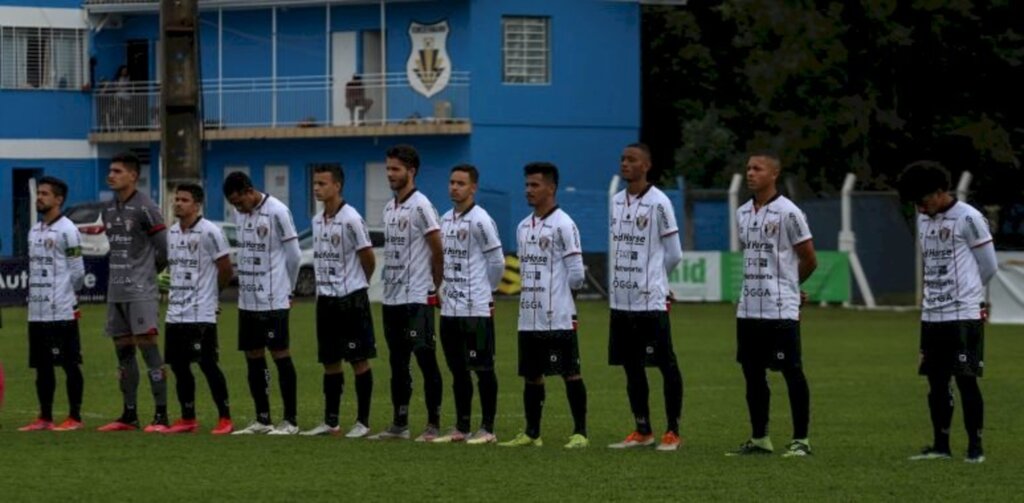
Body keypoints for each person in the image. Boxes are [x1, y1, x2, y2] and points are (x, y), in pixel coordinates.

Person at [897, 160, 996, 464]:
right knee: (936, 382)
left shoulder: (969, 218)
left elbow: (988, 265)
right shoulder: (924, 218)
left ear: (941, 192)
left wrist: (967, 296)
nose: (921, 208)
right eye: (915, 203)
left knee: (966, 380)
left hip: (963, 314)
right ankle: (941, 446)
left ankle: (975, 448)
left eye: (923, 200)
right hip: (932, 314)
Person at [726, 152, 817, 457]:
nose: (750, 173)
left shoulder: (788, 213)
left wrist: (792, 288)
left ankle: (801, 440)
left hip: (779, 308)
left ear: (773, 174)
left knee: (791, 371)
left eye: (757, 169)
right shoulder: (742, 213)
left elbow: (808, 258)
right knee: (752, 374)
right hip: (748, 308)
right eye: (748, 168)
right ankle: (760, 438)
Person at [499, 162, 589, 449]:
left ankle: (580, 433)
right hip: (528, 316)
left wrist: (564, 302)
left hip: (558, 316)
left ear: (551, 188)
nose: (529, 190)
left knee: (570, 372)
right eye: (527, 185)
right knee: (532, 375)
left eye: (535, 185)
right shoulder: (523, 227)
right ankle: (532, 433)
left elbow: (577, 275)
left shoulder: (564, 224)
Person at [606, 144, 685, 451]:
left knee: (665, 364)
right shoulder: (615, 202)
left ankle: (672, 431)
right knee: (631, 366)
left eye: (632, 160)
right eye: (623, 159)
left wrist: (657, 280)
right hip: (620, 301)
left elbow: (674, 253)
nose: (625, 164)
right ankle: (643, 430)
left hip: (649, 300)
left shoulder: (659, 203)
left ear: (647, 165)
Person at [368, 144, 446, 441]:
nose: (390, 174)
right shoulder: (390, 208)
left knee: (425, 358)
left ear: (411, 171)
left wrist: (435, 287)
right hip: (393, 297)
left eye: (395, 169)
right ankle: (399, 424)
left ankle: (433, 424)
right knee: (397, 362)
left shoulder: (422, 206)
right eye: (388, 168)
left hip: (418, 297)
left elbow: (438, 249)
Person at [223, 171, 302, 435]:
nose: (238, 208)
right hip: (247, 300)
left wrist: (287, 290)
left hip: (274, 298)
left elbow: (294, 256)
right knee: (253, 356)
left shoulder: (278, 211)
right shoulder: (240, 214)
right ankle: (263, 418)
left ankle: (290, 420)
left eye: (239, 202)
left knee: (280, 354)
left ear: (249, 191)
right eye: (234, 205)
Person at [301, 164, 377, 438]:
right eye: (315, 184)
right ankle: (330, 421)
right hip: (326, 301)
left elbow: (368, 258)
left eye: (322, 184)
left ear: (337, 186)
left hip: (351, 299)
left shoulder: (352, 219)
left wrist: (359, 285)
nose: (317, 188)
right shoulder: (317, 220)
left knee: (359, 359)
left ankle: (363, 421)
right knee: (330, 360)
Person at [96, 153, 170, 432]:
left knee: (149, 351)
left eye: (117, 171)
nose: (111, 175)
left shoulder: (147, 207)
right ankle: (129, 415)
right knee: (123, 354)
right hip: (116, 292)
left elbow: (165, 249)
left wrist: (147, 274)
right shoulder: (108, 209)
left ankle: (161, 416)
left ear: (132, 176)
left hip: (140, 292)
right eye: (110, 170)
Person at [432, 165, 505, 444]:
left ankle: (487, 428)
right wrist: (441, 288)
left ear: (473, 187)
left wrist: (487, 290)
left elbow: (496, 261)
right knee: (458, 371)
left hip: (475, 309)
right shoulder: (445, 219)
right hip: (450, 309)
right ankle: (461, 427)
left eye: (461, 183)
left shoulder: (481, 220)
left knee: (483, 369)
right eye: (451, 182)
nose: (454, 187)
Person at [162, 183, 234, 435]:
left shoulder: (210, 232)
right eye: (176, 199)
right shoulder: (171, 232)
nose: (178, 203)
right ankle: (187, 417)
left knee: (207, 364)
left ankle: (225, 417)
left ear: (197, 205)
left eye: (184, 200)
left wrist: (213, 296)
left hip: (201, 313)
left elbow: (226, 268)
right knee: (179, 367)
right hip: (175, 312)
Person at [19, 176, 86, 431]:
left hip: (61, 310)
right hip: (36, 311)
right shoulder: (34, 230)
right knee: (42, 367)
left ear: (58, 199)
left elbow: (77, 272)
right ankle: (44, 417)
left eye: (46, 194)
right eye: (39, 193)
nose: (40, 197)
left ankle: (75, 417)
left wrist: (66, 295)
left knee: (69, 364)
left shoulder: (68, 230)